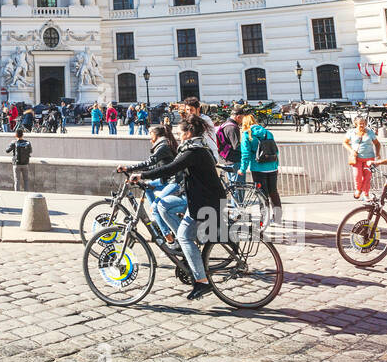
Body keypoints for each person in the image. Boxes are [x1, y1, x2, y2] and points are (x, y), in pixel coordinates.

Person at [126, 118, 223, 301]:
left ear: (188, 133)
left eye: (180, 133)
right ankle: (182, 244)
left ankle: (201, 282)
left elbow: (170, 168)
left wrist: (142, 176)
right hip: (196, 197)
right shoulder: (195, 148)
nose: (177, 136)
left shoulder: (193, 152)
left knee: (186, 236)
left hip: (205, 201)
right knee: (162, 206)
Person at [117, 124, 182, 242]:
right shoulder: (161, 145)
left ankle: (169, 238)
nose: (149, 137)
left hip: (172, 181)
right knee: (147, 187)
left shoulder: (163, 146)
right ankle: (158, 218)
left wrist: (129, 168)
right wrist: (134, 172)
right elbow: (154, 166)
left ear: (156, 135)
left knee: (155, 207)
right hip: (165, 179)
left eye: (150, 134)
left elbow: (149, 163)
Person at [238, 112, 281, 220]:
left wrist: (242, 169)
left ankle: (264, 217)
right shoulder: (268, 133)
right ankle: (278, 217)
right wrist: (276, 166)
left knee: (262, 194)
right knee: (274, 192)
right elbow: (275, 151)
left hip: (258, 168)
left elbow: (246, 154)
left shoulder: (247, 135)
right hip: (272, 167)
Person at [343, 115, 380, 200]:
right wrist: (351, 150)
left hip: (369, 158)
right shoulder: (351, 132)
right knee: (357, 176)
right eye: (360, 124)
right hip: (357, 158)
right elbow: (345, 143)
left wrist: (378, 153)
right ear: (356, 124)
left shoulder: (370, 132)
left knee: (367, 177)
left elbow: (377, 143)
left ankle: (366, 194)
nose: (362, 125)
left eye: (363, 123)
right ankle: (358, 189)